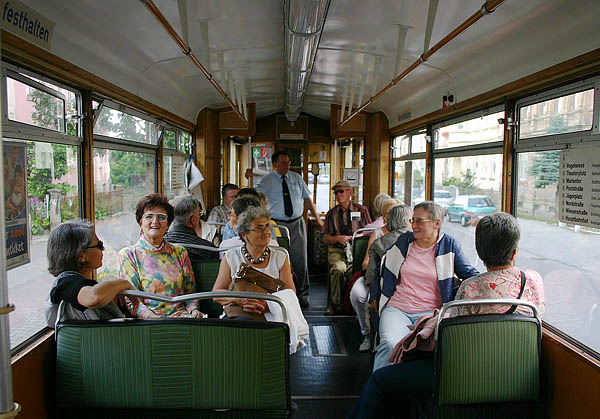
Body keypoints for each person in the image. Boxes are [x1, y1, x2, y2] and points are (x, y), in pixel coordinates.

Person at [347, 212, 546, 419]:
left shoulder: (470, 289)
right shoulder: (532, 281)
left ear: (479, 251)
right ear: (515, 252)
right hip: (517, 379)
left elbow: (448, 340)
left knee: (382, 379)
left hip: (465, 377)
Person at [370, 201, 478, 371]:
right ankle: (380, 388)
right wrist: (375, 295)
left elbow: (469, 275)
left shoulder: (448, 246)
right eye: (412, 220)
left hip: (431, 313)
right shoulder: (405, 241)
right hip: (398, 309)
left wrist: (491, 281)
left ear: (437, 223)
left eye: (420, 221)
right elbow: (382, 266)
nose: (414, 225)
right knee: (389, 344)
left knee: (438, 350)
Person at [250, 151, 323, 308]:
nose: (287, 165)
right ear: (275, 164)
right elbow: (254, 199)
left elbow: (307, 199)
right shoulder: (266, 181)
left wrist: (317, 219)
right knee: (277, 258)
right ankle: (280, 295)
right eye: (283, 162)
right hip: (276, 225)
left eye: (288, 162)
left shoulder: (296, 178)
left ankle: (302, 295)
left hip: (297, 223)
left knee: (300, 259)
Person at [117, 194, 201, 318]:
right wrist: (156, 319)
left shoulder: (180, 252)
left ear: (167, 225)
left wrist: (194, 311)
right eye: (149, 216)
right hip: (148, 322)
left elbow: (190, 293)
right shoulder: (128, 255)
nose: (155, 222)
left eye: (161, 217)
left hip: (182, 318)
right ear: (140, 222)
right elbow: (132, 301)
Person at [45, 220, 133, 327]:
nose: (103, 248)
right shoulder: (65, 284)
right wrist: (123, 283)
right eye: (99, 245)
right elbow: (95, 297)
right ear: (81, 256)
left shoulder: (82, 283)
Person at [212, 206, 296, 319]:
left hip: (272, 315)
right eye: (259, 228)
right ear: (244, 235)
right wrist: (239, 300)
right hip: (237, 314)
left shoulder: (280, 257)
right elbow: (216, 294)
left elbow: (290, 294)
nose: (266, 231)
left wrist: (268, 305)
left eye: (267, 226)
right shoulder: (231, 257)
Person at [351, 204, 412, 351]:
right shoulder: (416, 241)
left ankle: (374, 336)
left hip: (383, 288)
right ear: (406, 221)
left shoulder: (379, 244)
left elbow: (371, 273)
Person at [323, 180, 372, 315]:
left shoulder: (362, 211)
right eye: (336, 192)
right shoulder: (331, 214)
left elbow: (370, 231)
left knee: (354, 271)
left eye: (341, 191)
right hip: (337, 250)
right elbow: (325, 238)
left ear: (349, 192)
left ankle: (350, 304)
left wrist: (356, 237)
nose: (338, 195)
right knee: (339, 269)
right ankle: (335, 303)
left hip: (357, 250)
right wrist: (337, 238)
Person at [165, 194, 219, 260]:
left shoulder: (159, 245)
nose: (200, 216)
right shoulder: (209, 249)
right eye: (199, 214)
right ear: (193, 219)